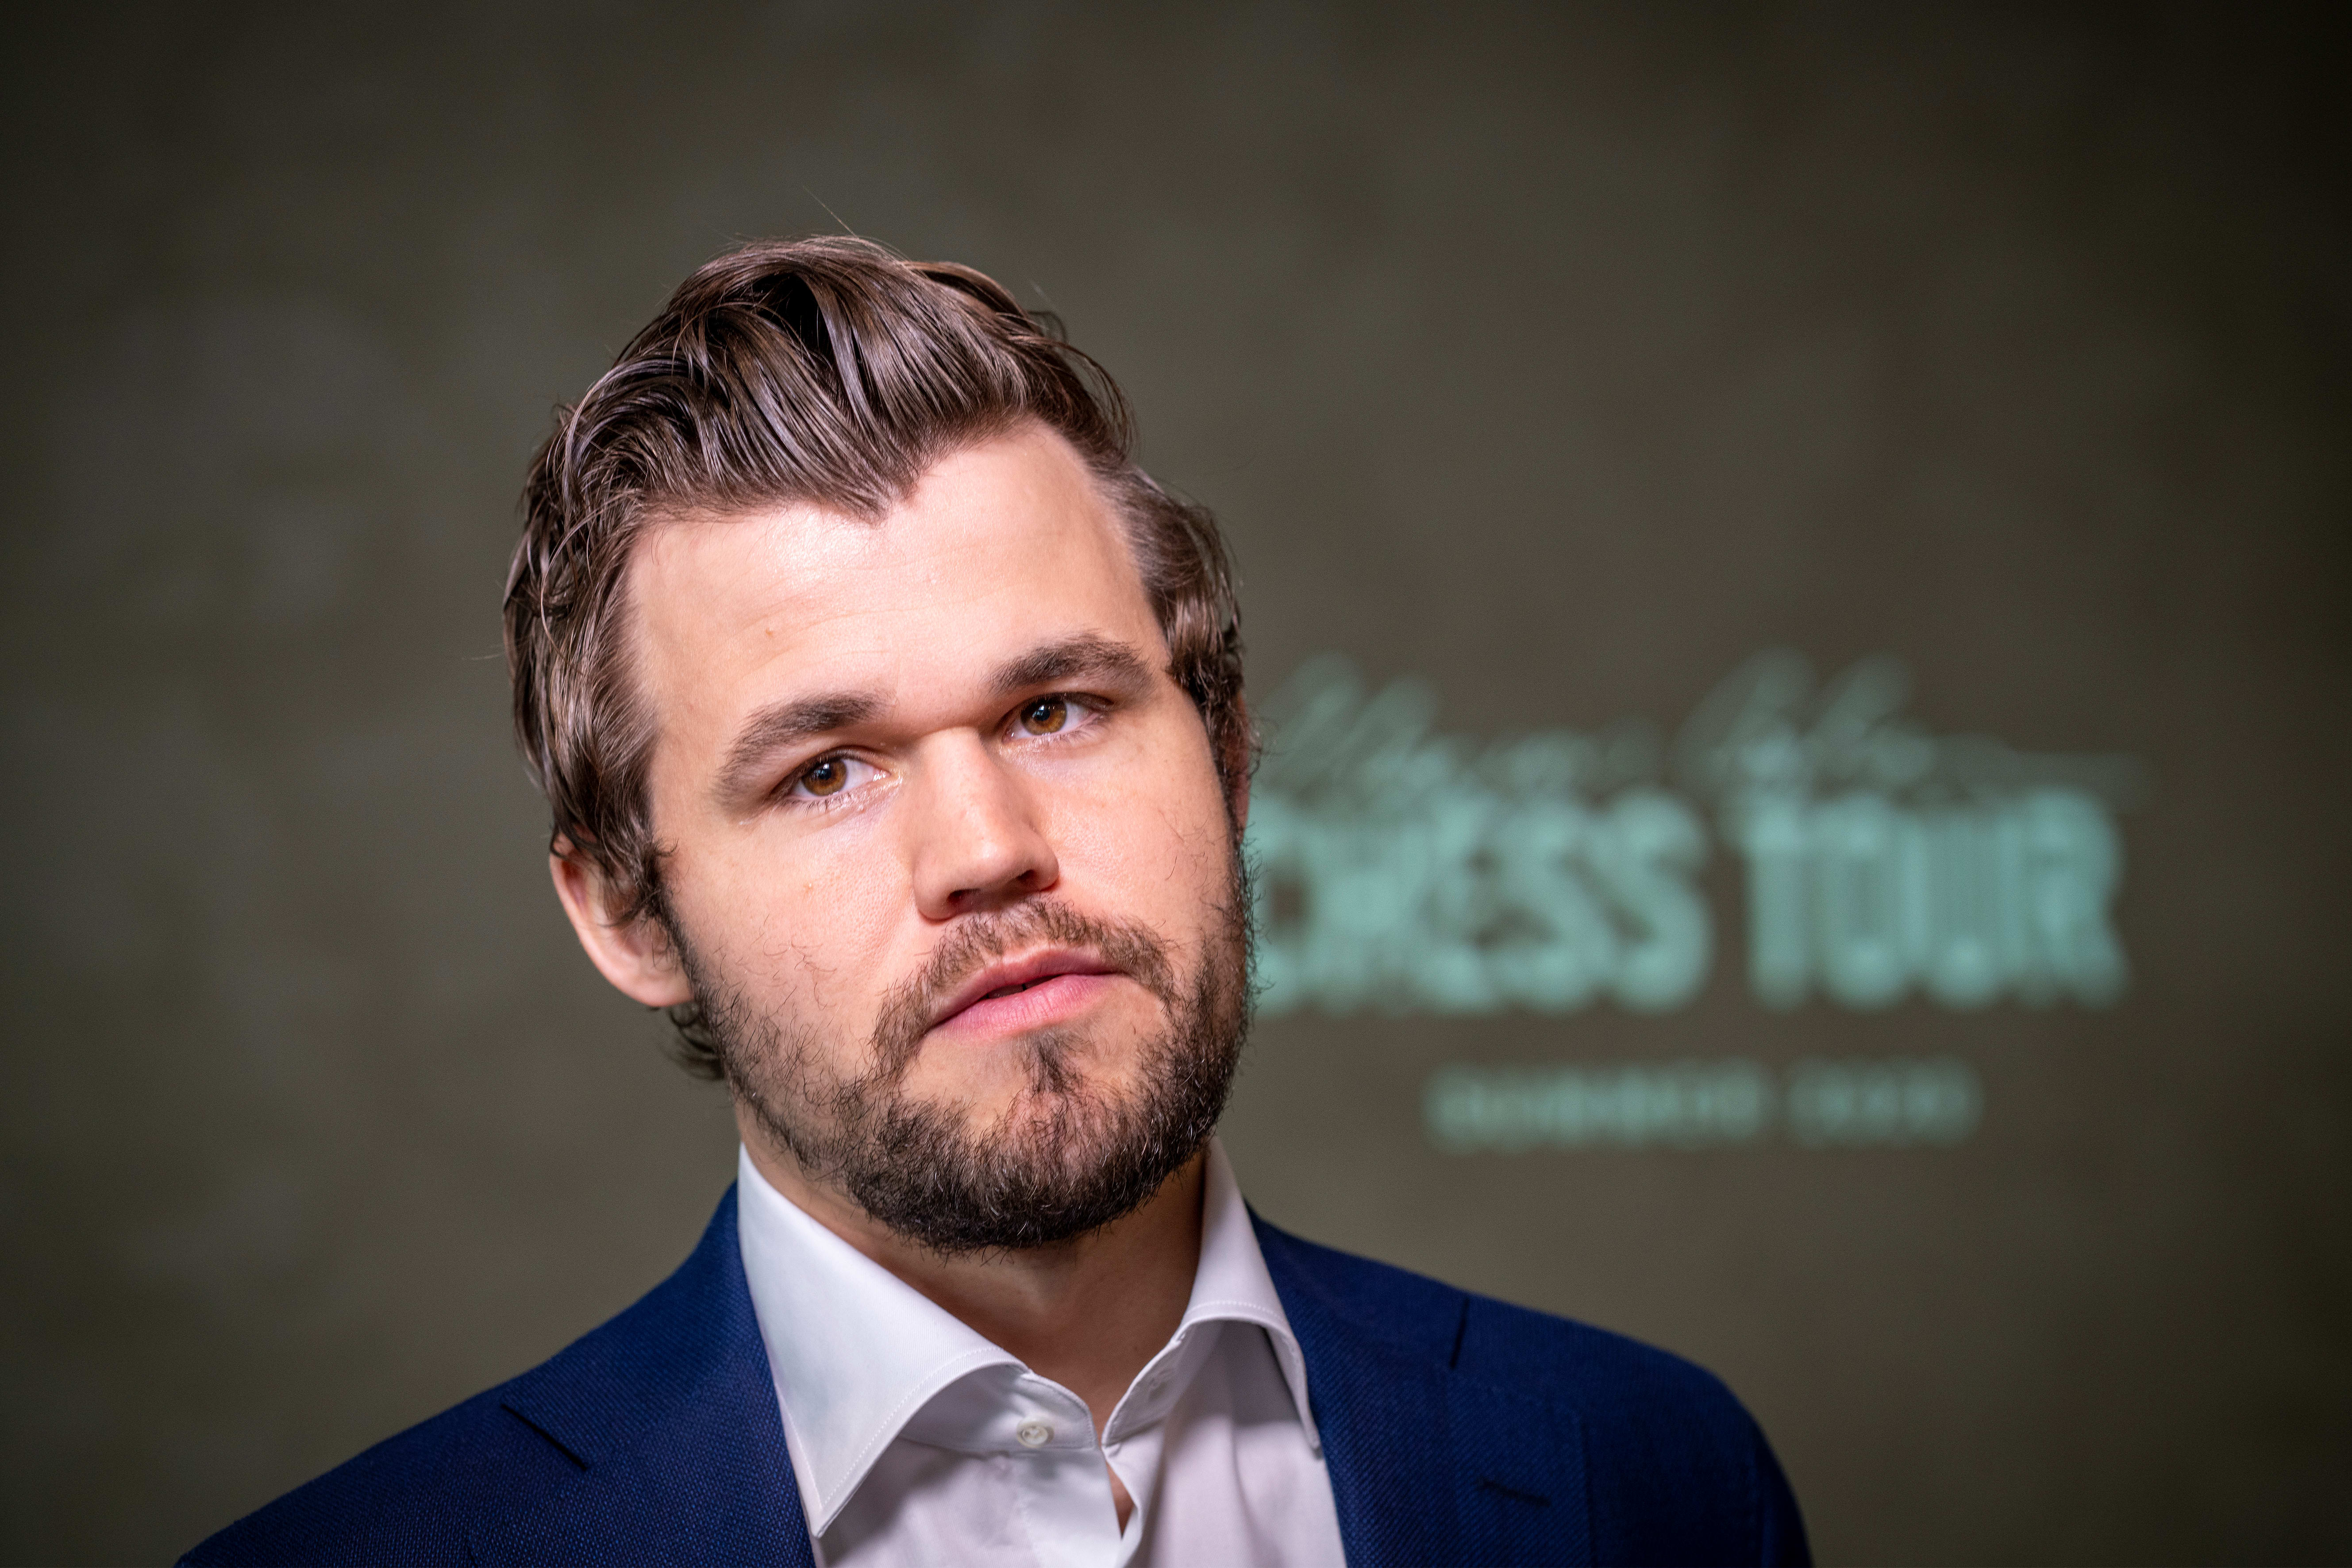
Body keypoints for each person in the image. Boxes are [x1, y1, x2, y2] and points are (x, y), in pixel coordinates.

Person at [185, 237, 1808, 1568]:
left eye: (1054, 710)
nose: (986, 846)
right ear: (627, 915)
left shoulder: (1651, 1480)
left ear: (1228, 758)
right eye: (825, 770)